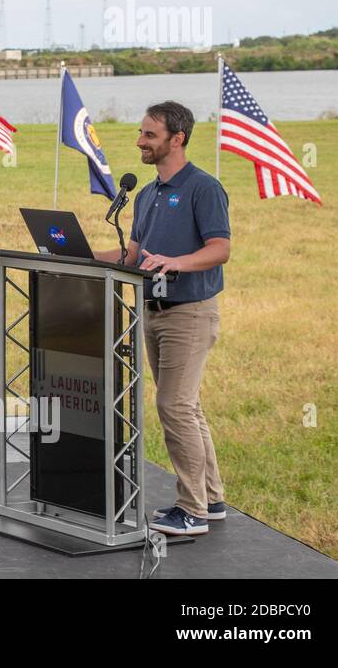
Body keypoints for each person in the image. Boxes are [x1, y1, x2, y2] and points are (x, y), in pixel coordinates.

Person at [93, 101, 230, 537]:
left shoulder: (203, 188)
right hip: (150, 312)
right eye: (140, 132)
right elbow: (132, 255)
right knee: (188, 406)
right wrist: (80, 252)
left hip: (188, 313)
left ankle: (192, 512)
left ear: (178, 138)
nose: (140, 141)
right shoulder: (148, 192)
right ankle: (211, 498)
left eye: (149, 135)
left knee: (174, 406)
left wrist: (177, 262)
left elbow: (220, 248)